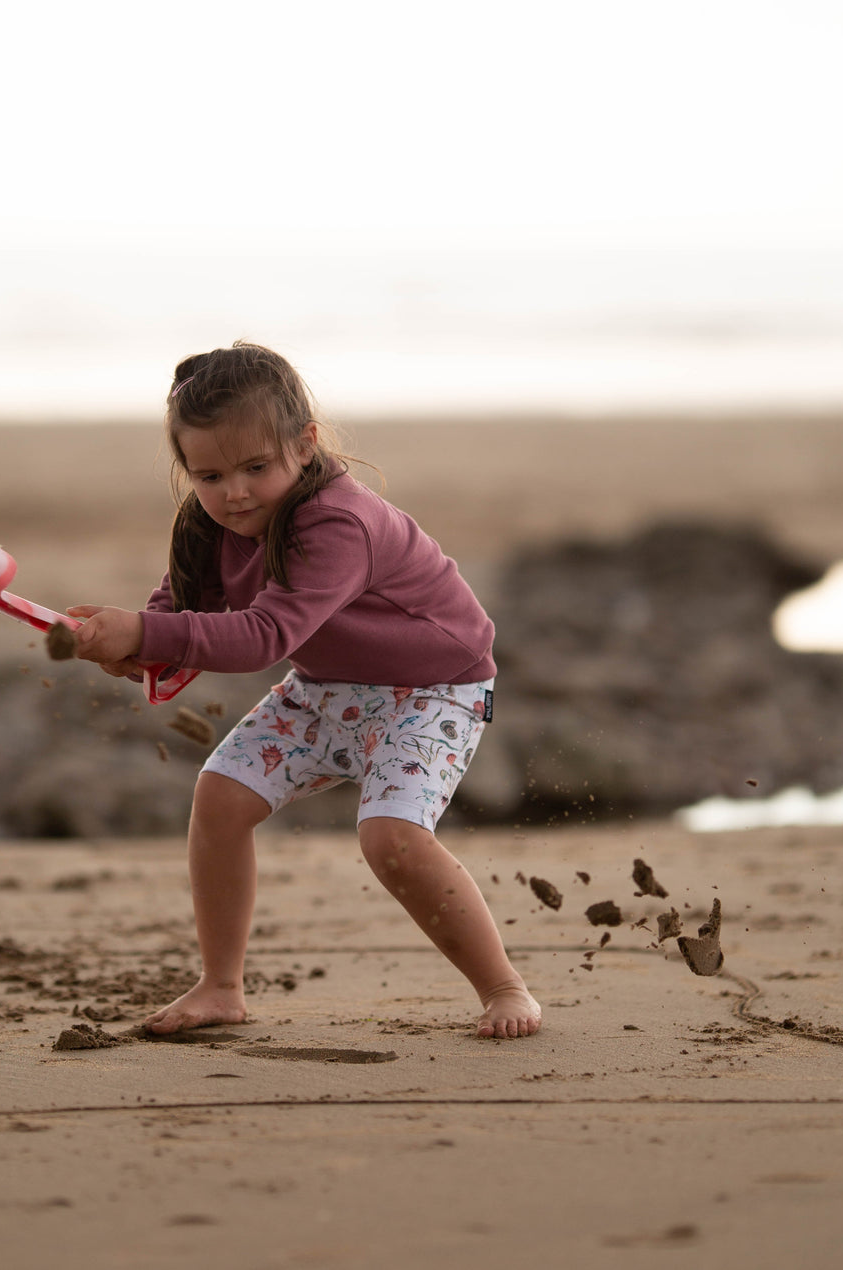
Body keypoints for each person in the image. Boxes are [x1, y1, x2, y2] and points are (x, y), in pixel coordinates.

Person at [68, 342, 541, 1040]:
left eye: (256, 467)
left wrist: (142, 631)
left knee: (392, 839)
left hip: (433, 689)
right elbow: (180, 610)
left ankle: (504, 987)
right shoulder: (208, 523)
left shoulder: (337, 521)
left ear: (304, 443)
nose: (234, 492)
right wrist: (140, 648)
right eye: (208, 474)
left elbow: (264, 635)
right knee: (220, 797)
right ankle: (220, 987)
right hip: (326, 685)